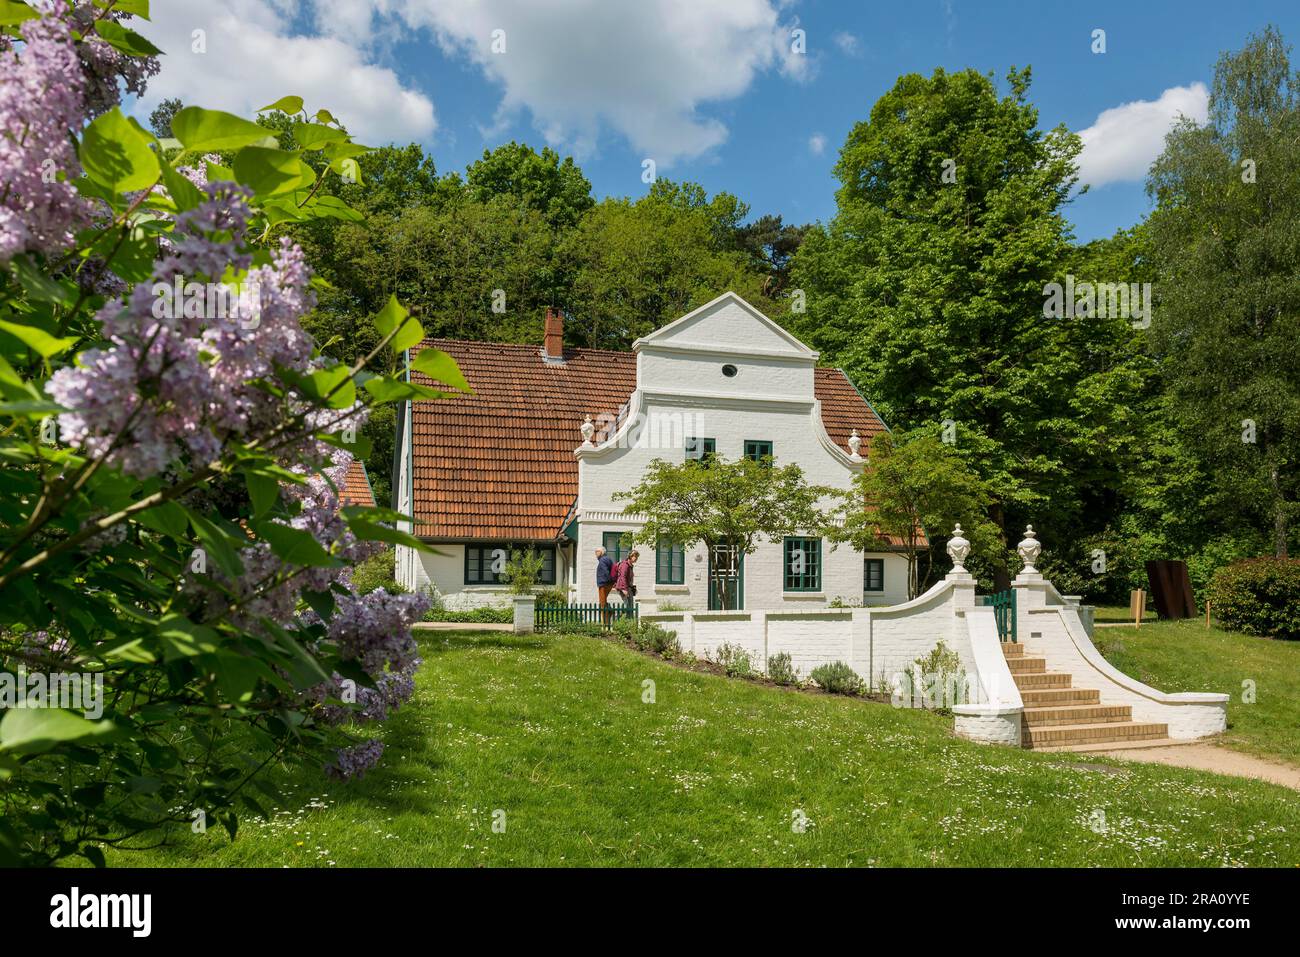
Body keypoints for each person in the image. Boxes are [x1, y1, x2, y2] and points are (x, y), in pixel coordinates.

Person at [595, 546, 615, 622]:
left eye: (597, 552)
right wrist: (612, 581)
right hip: (608, 583)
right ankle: (608, 613)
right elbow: (612, 570)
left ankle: (605, 622)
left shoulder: (602, 560)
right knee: (604, 601)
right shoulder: (608, 559)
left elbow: (606, 572)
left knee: (602, 603)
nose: (595, 554)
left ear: (601, 552)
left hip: (603, 584)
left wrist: (607, 580)